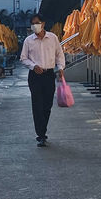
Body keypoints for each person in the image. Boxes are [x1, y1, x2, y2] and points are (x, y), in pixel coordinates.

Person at [19, 15, 65, 147]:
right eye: (33, 24)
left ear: (43, 23)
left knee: (47, 105)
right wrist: (33, 66)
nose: (35, 26)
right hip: (35, 76)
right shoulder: (28, 40)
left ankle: (42, 128)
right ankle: (41, 134)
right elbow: (23, 58)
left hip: (49, 74)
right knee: (37, 104)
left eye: (37, 23)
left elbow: (59, 54)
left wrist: (60, 67)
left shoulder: (53, 38)